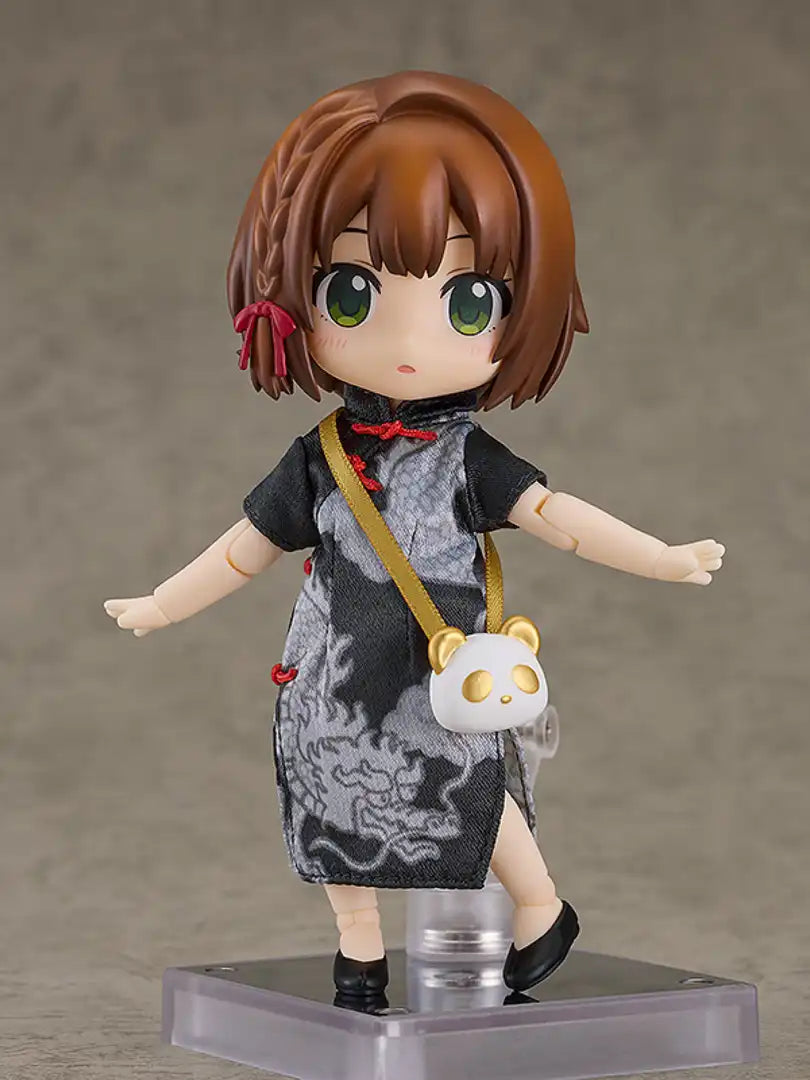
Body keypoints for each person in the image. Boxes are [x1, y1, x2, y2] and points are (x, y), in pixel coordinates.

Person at [104, 71, 724, 1001]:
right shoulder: (321, 456)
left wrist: (659, 556)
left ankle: (542, 906)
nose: (406, 341)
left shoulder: (466, 457)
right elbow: (248, 544)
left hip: (442, 666)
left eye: (467, 302)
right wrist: (163, 602)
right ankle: (358, 948)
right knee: (330, 799)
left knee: (473, 785)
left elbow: (556, 517)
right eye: (352, 292)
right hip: (333, 668)